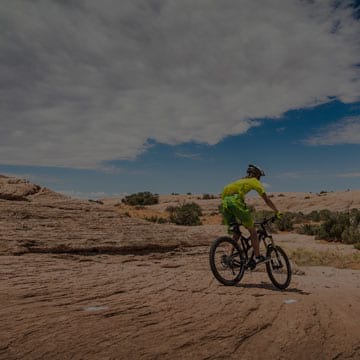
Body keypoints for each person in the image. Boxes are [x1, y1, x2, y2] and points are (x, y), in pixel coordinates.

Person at [221, 164, 282, 265]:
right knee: (253, 231)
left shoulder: (239, 181)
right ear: (257, 175)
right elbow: (266, 199)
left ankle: (229, 257)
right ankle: (257, 257)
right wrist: (277, 211)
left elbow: (225, 194)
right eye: (259, 177)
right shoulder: (254, 181)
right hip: (236, 203)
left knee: (236, 231)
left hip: (225, 204)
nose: (259, 179)